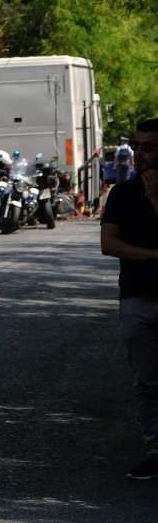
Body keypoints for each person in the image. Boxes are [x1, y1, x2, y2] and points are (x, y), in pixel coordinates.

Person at [101, 118, 158, 480]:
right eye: (137, 146)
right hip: (137, 298)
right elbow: (109, 244)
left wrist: (155, 199)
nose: (139, 154)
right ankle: (156, 452)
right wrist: (153, 256)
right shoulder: (122, 194)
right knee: (148, 382)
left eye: (148, 147)